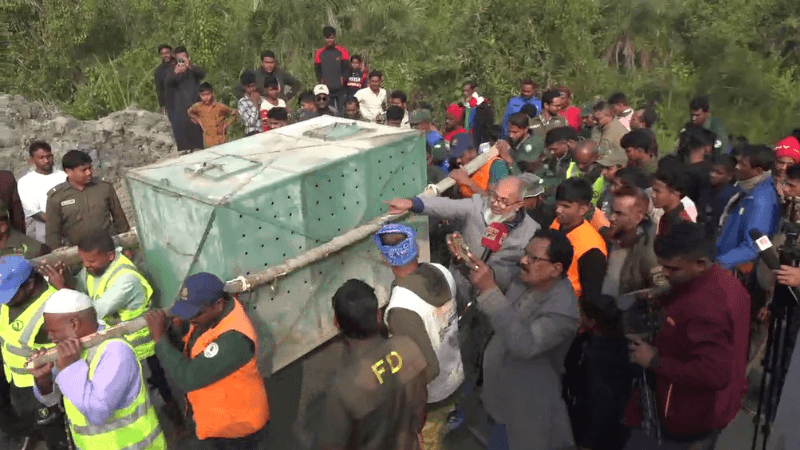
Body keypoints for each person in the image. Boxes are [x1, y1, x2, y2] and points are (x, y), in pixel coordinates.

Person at [40, 229, 187, 437]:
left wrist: (62, 288)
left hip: (142, 348)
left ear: (110, 255)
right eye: (82, 261)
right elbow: (82, 288)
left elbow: (92, 312)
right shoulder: (95, 269)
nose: (86, 266)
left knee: (160, 389)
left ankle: (179, 427)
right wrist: (70, 282)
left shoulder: (127, 279)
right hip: (118, 344)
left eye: (91, 261)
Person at [624, 223, 749, 449]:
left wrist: (653, 360)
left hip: (690, 416)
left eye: (672, 269)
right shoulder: (723, 281)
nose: (664, 274)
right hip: (716, 407)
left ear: (700, 263)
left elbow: (713, 374)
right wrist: (664, 296)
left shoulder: (706, 309)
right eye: (662, 266)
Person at [467, 228, 579, 450]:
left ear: (556, 269)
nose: (523, 261)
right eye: (525, 253)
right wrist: (468, 262)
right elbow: (499, 276)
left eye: (533, 258)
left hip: (528, 411)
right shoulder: (527, 280)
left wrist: (490, 291)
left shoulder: (562, 311)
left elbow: (524, 345)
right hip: (500, 398)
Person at [144, 272, 270, 448]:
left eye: (195, 313)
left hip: (240, 431)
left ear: (218, 304)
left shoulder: (235, 338)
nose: (190, 319)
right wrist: (177, 330)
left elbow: (189, 377)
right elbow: (192, 349)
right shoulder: (207, 320)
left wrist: (160, 340)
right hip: (217, 423)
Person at [31, 289, 166, 450]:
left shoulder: (116, 350)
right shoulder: (70, 350)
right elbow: (51, 400)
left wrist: (70, 368)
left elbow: (97, 412)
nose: (50, 338)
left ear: (74, 324)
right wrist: (43, 380)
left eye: (53, 331)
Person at [375, 224, 463, 450]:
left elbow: (427, 370)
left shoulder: (402, 307)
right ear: (415, 248)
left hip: (432, 398)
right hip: (456, 373)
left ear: (385, 259)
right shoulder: (441, 271)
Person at [318, 279, 428, 450]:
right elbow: (420, 405)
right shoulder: (407, 346)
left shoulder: (344, 387)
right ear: (378, 315)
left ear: (336, 323)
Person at [0, 256, 70, 450]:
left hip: (41, 388)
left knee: (54, 433)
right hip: (16, 381)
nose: (4, 301)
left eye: (8, 295)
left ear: (30, 285)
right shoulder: (12, 301)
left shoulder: (51, 313)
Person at [45, 150, 129, 251]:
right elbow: (52, 233)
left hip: (109, 247)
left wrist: (127, 247)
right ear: (68, 172)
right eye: (83, 170)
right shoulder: (56, 197)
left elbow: (120, 220)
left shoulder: (104, 188)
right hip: (77, 252)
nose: (89, 173)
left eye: (90, 168)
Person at [717, 144, 781, 270]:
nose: (737, 167)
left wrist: (719, 264)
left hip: (732, 269)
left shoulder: (761, 201)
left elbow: (753, 247)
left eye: (742, 165)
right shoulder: (751, 191)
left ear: (757, 171)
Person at [549, 178, 608, 302]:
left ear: (583, 209)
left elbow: (591, 295)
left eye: (566, 206)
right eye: (558, 204)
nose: (558, 210)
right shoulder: (557, 223)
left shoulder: (592, 247)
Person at [18, 142, 67, 244]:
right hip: (45, 232)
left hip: (71, 228)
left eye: (49, 156)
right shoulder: (26, 182)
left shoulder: (64, 176)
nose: (46, 160)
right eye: (41, 158)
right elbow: (34, 212)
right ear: (32, 160)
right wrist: (59, 223)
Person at [165, 46, 205, 151]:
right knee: (184, 134)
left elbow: (202, 74)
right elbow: (168, 84)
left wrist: (190, 66)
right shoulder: (172, 70)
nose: (182, 61)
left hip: (196, 103)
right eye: (179, 59)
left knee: (198, 135)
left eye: (183, 58)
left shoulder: (193, 69)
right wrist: (176, 72)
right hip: (181, 107)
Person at [447, 132, 509, 198]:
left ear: (473, 151)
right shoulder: (457, 166)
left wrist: (468, 183)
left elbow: (495, 200)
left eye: (461, 155)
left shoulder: (496, 165)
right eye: (455, 157)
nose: (458, 160)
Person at [235, 50, 302, 101]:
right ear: (262, 63)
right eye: (267, 62)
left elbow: (297, 84)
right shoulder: (255, 75)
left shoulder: (280, 73)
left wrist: (287, 97)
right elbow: (239, 89)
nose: (269, 65)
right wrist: (249, 100)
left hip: (279, 105)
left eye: (272, 62)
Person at [652, 156, 694, 237]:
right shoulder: (666, 217)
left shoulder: (682, 224)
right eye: (653, 190)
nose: (653, 195)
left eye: (657, 191)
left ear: (675, 192)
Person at [187, 82, 238, 148]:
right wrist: (198, 120)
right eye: (203, 95)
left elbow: (234, 113)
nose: (206, 97)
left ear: (212, 93)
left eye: (208, 94)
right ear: (200, 95)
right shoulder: (198, 107)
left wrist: (226, 124)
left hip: (221, 140)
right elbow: (189, 112)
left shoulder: (220, 106)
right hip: (208, 142)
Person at [704, 154, 740, 241]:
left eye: (718, 173)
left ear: (730, 175)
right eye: (712, 171)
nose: (712, 174)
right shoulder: (707, 188)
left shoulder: (732, 195)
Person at [314, 26, 349, 114]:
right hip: (327, 89)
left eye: (331, 38)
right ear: (324, 39)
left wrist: (343, 80)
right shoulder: (319, 53)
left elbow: (346, 68)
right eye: (327, 38)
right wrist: (321, 81)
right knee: (330, 112)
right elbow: (317, 70)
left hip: (340, 89)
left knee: (342, 112)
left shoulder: (342, 51)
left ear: (335, 38)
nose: (329, 40)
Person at [566, 139, 604, 206]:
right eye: (577, 162)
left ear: (596, 157)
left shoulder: (604, 174)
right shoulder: (571, 168)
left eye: (585, 163)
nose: (580, 166)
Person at [596, 151, 629, 217]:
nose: (603, 172)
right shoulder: (607, 187)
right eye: (602, 168)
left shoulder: (629, 193)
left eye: (608, 169)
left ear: (621, 167)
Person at [237, 70, 262, 136]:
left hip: (264, 132)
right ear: (244, 87)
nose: (252, 89)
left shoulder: (262, 99)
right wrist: (255, 104)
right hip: (252, 134)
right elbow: (250, 123)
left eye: (253, 86)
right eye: (249, 87)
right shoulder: (242, 102)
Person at [154, 44, 174, 115]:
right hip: (170, 103)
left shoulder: (179, 63)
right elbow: (159, 89)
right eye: (163, 54)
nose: (165, 55)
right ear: (160, 56)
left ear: (171, 53)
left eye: (167, 53)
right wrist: (162, 105)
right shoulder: (159, 71)